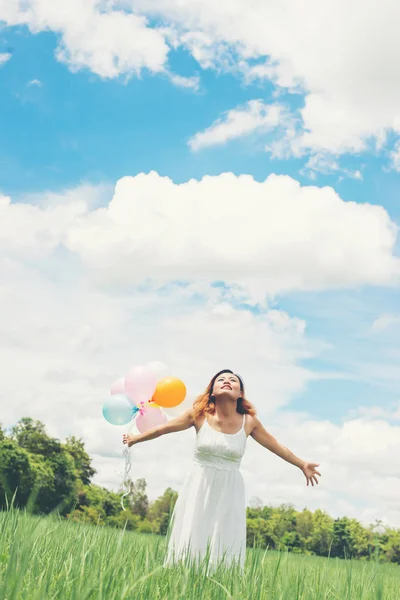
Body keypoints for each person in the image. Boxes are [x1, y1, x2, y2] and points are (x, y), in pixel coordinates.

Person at [122, 369, 321, 572]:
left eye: (233, 380)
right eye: (221, 380)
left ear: (240, 394)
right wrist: (136, 438)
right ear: (212, 392)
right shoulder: (198, 415)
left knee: (225, 537)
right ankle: (183, 576)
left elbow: (276, 445)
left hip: (230, 488)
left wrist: (301, 464)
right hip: (199, 484)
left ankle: (220, 580)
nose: (227, 381)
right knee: (193, 533)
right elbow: (164, 428)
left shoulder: (249, 422)